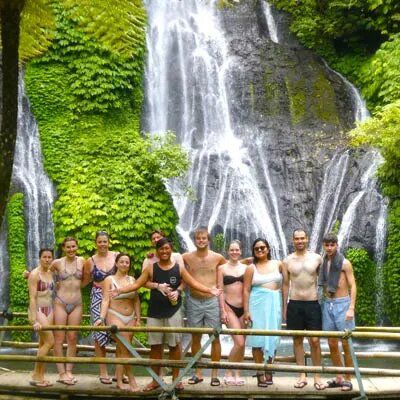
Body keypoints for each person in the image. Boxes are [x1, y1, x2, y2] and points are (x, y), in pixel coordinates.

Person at [110, 237, 221, 392]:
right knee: (155, 347)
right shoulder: (151, 268)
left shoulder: (179, 268)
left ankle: (177, 380)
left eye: (167, 248)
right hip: (154, 312)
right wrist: (120, 290)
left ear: (171, 249)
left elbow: (192, 282)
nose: (164, 251)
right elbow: (137, 284)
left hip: (173, 312)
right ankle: (155, 380)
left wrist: (210, 290)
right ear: (157, 251)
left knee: (175, 346)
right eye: (161, 249)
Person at [283, 229, 325, 390]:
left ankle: (317, 375)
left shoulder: (317, 258)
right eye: (297, 239)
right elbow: (286, 284)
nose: (300, 241)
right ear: (293, 240)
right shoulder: (287, 260)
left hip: (312, 303)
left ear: (307, 239)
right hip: (294, 303)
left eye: (302, 238)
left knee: (315, 341)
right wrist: (285, 306)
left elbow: (323, 279)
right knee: (297, 340)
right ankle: (302, 375)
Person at [183, 227, 226, 386]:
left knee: (215, 336)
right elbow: (170, 260)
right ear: (194, 240)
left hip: (212, 301)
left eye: (204, 238)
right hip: (193, 300)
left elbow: (231, 267)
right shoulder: (186, 257)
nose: (201, 241)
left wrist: (248, 261)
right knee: (196, 337)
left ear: (209, 240)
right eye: (198, 238)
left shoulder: (218, 258)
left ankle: (214, 374)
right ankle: (198, 373)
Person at [243, 238, 288, 387]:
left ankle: (269, 370)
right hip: (257, 305)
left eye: (263, 247)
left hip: (274, 304)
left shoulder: (278, 264)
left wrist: (285, 308)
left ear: (268, 249)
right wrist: (246, 311)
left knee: (273, 337)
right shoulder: (251, 268)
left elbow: (286, 285)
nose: (260, 250)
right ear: (253, 252)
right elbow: (246, 290)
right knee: (257, 339)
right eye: (257, 249)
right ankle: (260, 373)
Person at [95, 253, 141, 392]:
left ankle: (119, 381)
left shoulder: (132, 279)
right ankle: (132, 379)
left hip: (131, 317)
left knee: (122, 350)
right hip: (115, 315)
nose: (124, 264)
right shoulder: (109, 279)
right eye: (122, 262)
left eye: (127, 262)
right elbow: (105, 300)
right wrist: (101, 318)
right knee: (125, 348)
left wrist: (138, 318)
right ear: (116, 263)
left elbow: (136, 300)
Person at [319, 233, 357, 392]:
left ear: (337, 245)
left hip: (343, 304)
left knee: (346, 344)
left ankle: (348, 379)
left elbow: (353, 286)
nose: (329, 248)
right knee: (332, 343)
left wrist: (351, 308)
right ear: (323, 245)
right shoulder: (323, 262)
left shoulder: (345, 263)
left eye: (332, 245)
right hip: (328, 304)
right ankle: (339, 376)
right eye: (326, 245)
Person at [82, 231, 118, 384]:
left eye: (105, 241)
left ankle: (119, 371)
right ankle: (103, 372)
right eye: (100, 241)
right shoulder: (90, 261)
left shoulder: (116, 256)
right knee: (99, 333)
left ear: (109, 242)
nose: (102, 244)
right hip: (97, 297)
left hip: (115, 296)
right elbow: (83, 281)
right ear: (95, 243)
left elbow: (125, 272)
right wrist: (62, 284)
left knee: (118, 332)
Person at [52, 237, 84, 385]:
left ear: (77, 247)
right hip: (61, 302)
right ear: (64, 248)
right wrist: (55, 282)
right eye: (68, 247)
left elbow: (89, 276)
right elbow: (44, 270)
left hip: (77, 303)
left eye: (73, 247)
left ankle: (69, 370)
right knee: (59, 338)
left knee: (72, 337)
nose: (71, 249)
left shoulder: (83, 261)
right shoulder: (57, 263)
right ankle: (61, 372)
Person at [217, 240, 247, 386]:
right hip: (229, 308)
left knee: (243, 343)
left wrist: (248, 311)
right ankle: (228, 371)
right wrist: (222, 310)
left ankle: (238, 373)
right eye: (232, 250)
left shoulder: (247, 268)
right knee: (239, 342)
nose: (234, 252)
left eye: (237, 250)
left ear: (241, 251)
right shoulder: (221, 269)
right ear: (228, 251)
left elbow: (249, 290)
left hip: (244, 310)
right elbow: (220, 291)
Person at [27, 248, 55, 387]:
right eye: (44, 257)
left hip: (49, 309)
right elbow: (32, 298)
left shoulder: (50, 273)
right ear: (40, 258)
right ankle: (37, 376)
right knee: (50, 342)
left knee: (43, 344)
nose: (47, 259)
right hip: (39, 310)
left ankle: (38, 375)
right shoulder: (34, 274)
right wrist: (34, 320)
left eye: (49, 257)